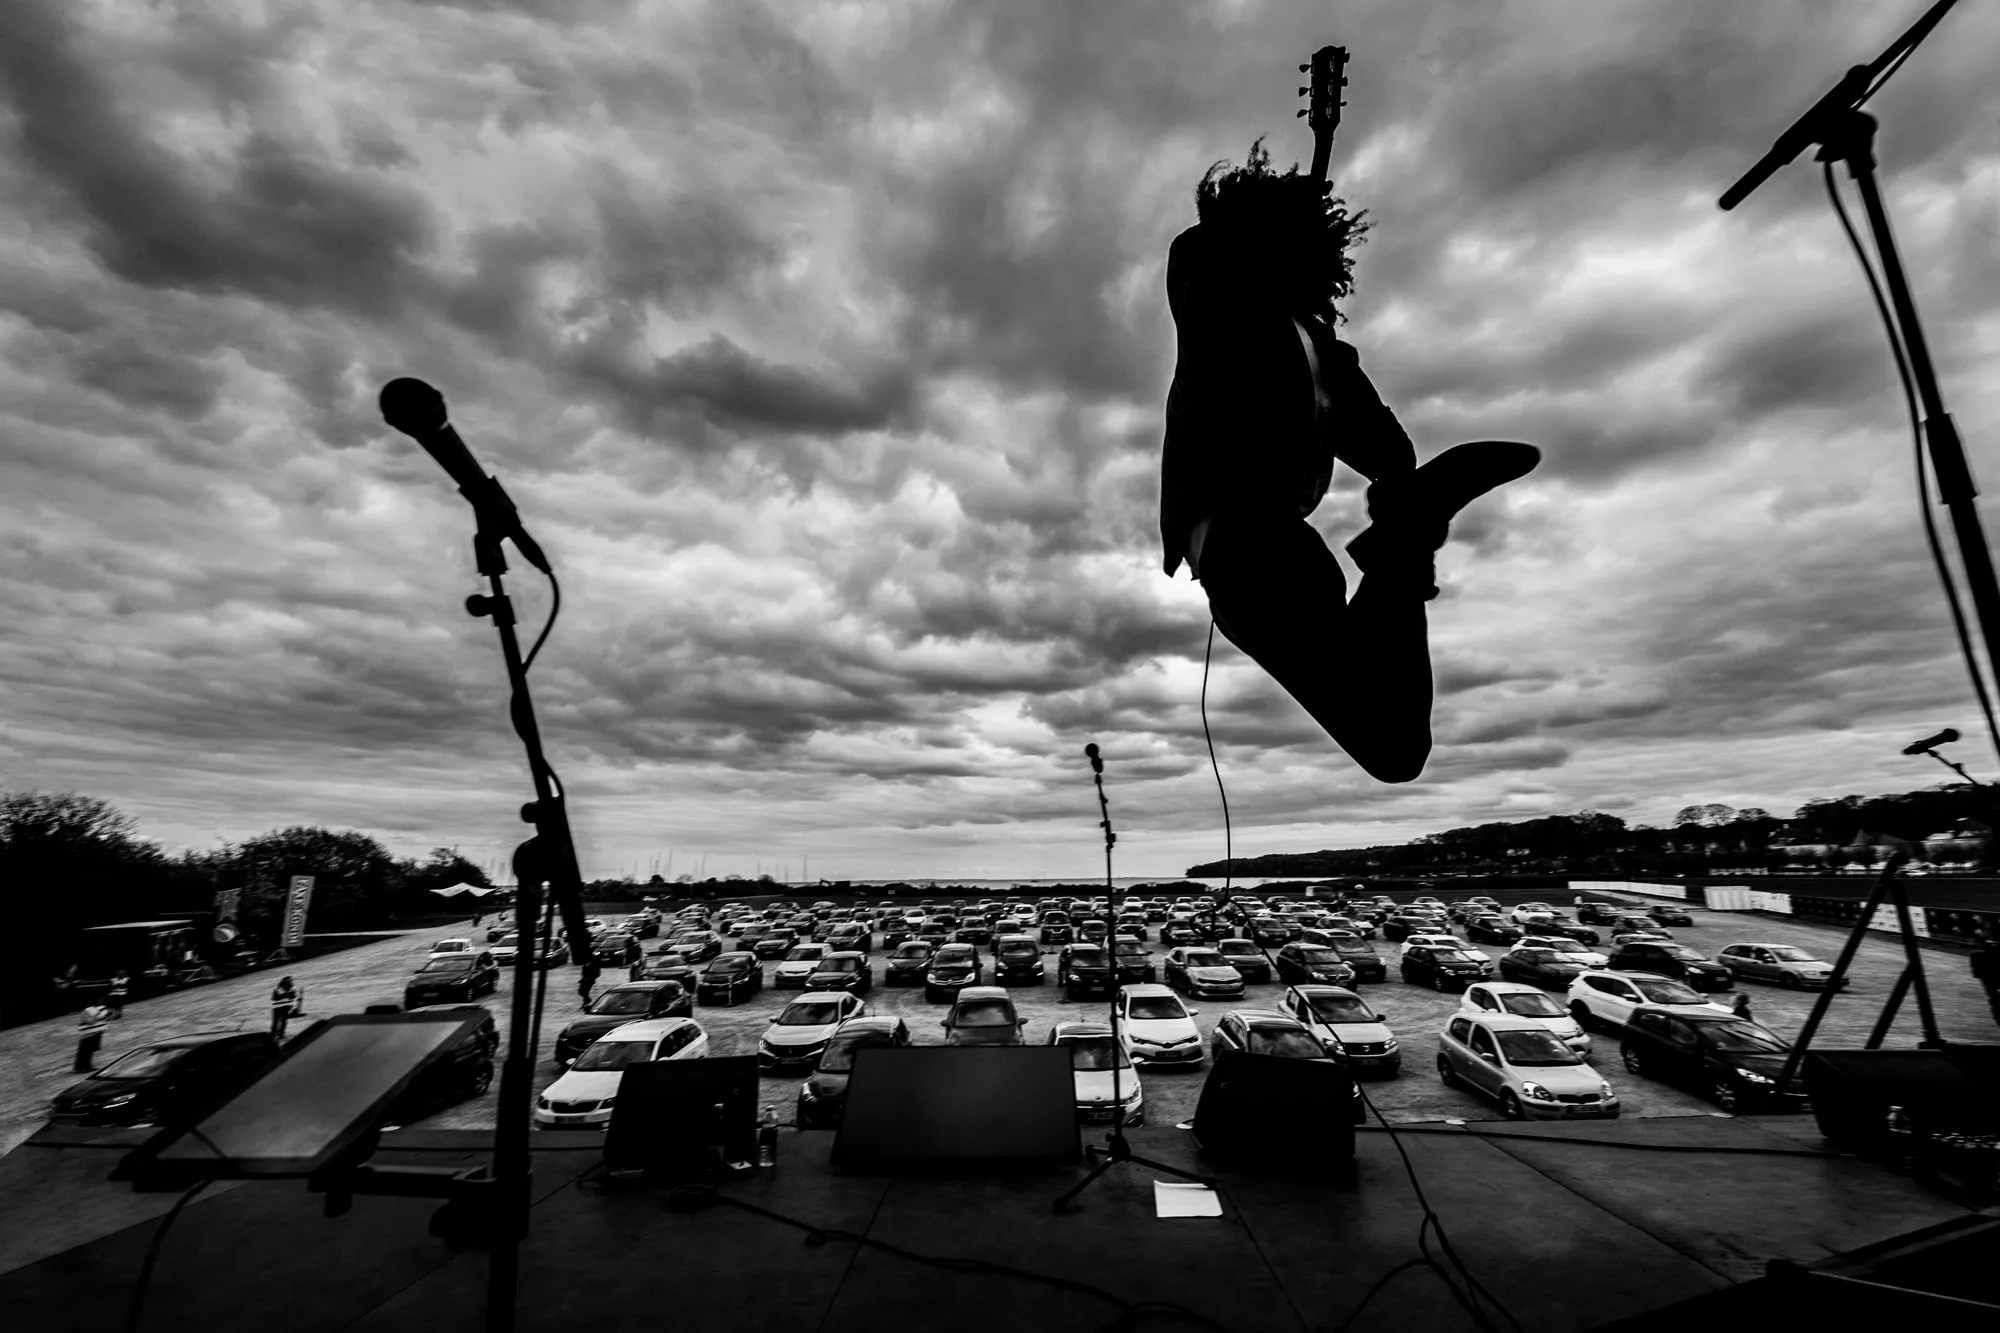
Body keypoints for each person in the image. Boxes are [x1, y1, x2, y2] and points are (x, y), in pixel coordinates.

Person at [1159, 139, 1539, 783]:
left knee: (1394, 743)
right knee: (1395, 742)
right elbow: (1194, 253)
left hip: (1247, 549)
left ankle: (1406, 536)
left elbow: (1391, 456)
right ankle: (1406, 537)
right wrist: (1277, 224)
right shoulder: (1218, 303)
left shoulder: (1314, 346)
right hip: (1274, 544)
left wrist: (1331, 358)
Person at [1970, 931, 2000, 1027]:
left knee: (1993, 997)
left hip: (1987, 976)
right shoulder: (1978, 954)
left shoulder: (1976, 954)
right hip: (1991, 975)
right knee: (1993, 997)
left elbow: (1976, 970)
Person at [74, 1001, 113, 1073]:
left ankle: (88, 1066)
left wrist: (107, 1015)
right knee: (85, 1052)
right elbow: (90, 1022)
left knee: (90, 1051)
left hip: (96, 1033)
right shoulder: (86, 1011)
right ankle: (81, 1068)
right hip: (87, 1034)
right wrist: (99, 1015)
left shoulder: (101, 1008)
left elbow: (104, 1020)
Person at [270, 976, 299, 1041]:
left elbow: (293, 997)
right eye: (289, 980)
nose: (291, 981)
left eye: (291, 980)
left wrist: (294, 1006)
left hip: (284, 1006)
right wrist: (289, 995)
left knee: (281, 1021)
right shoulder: (279, 987)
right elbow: (282, 996)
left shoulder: (292, 987)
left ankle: (279, 1035)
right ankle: (275, 1035)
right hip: (277, 1006)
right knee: (278, 1021)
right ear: (285, 980)